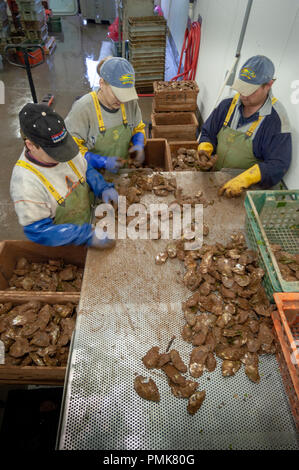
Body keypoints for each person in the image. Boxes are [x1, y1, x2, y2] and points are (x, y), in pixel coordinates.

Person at [10, 103, 118, 248]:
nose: (64, 155)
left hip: (90, 219)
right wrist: (84, 235)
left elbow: (85, 169)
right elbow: (38, 230)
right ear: (30, 145)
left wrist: (102, 187)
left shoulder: (64, 145)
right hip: (65, 242)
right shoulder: (25, 183)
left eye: (64, 147)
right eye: (55, 152)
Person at [198, 55, 292, 197]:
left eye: (250, 90)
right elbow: (207, 132)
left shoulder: (277, 120)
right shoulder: (227, 105)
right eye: (241, 88)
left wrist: (246, 178)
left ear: (268, 85)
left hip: (245, 192)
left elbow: (278, 165)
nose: (243, 95)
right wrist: (205, 148)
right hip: (216, 178)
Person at [65, 56, 146, 173]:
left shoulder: (130, 102)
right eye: (117, 93)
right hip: (93, 174)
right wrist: (100, 161)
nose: (122, 100)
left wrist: (138, 143)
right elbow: (71, 150)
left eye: (125, 94)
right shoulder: (83, 109)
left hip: (121, 172)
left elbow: (138, 127)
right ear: (102, 83)